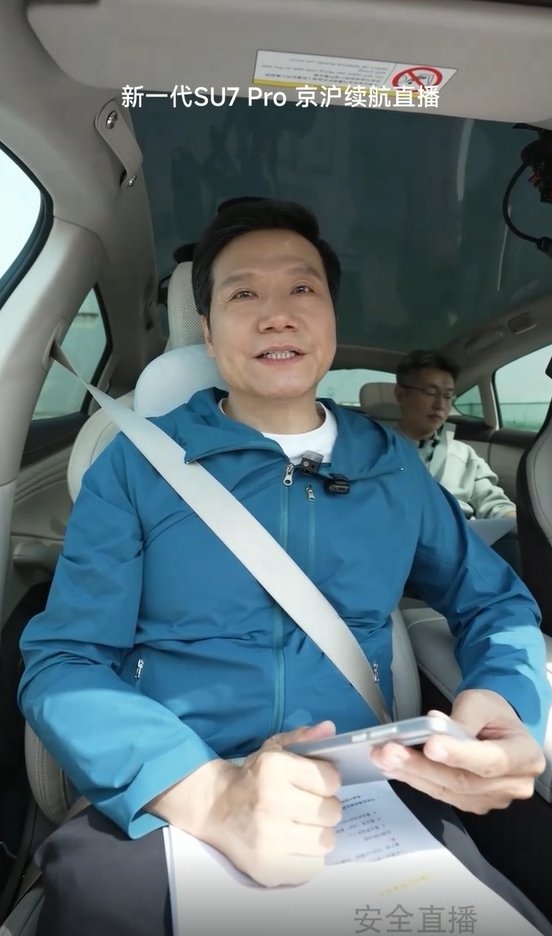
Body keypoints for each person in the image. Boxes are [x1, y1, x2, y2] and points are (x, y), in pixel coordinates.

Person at [17, 200, 551, 936]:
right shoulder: (137, 466)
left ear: (330, 317)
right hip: (172, 791)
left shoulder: (392, 466)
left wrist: (506, 702)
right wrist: (209, 796)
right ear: (208, 331)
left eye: (302, 288)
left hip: (364, 787)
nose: (277, 315)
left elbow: (495, 602)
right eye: (243, 294)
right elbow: (65, 661)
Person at [394, 349, 521, 571]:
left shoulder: (463, 454)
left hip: (461, 551)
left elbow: (493, 503)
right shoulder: (375, 450)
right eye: (430, 392)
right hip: (402, 549)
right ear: (400, 395)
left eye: (447, 396)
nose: (440, 405)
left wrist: (516, 521)